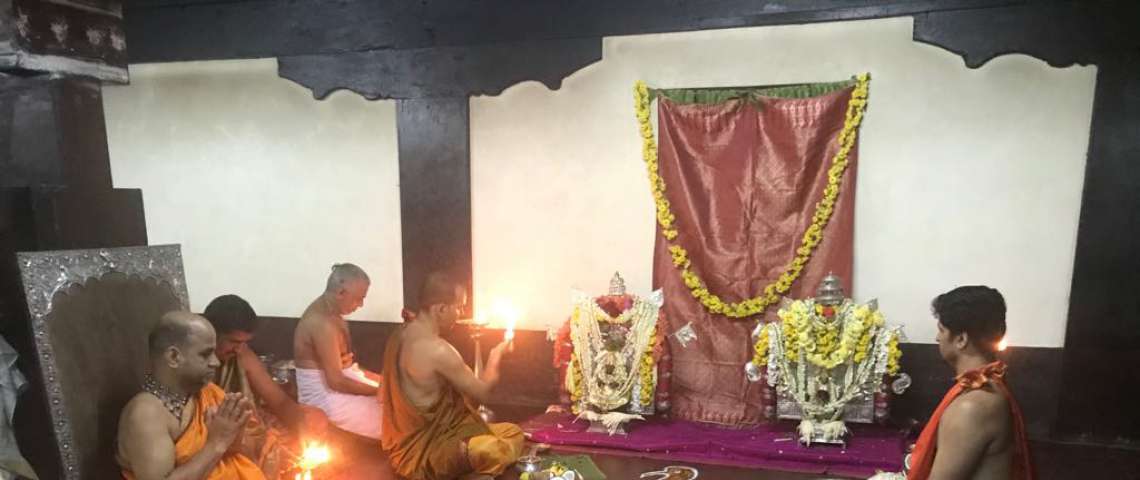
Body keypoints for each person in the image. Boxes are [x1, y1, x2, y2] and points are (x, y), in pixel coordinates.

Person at [380, 272, 524, 480]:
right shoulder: (438, 350)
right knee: (491, 449)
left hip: (421, 442)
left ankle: (479, 470)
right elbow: (482, 393)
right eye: (459, 307)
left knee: (512, 431)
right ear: (441, 309)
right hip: (426, 454)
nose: (460, 314)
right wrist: (496, 355)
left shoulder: (399, 335)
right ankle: (476, 473)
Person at [117, 311, 264, 480]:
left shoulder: (207, 393)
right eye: (205, 354)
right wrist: (217, 443)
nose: (216, 362)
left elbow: (241, 451)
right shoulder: (146, 415)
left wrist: (233, 435)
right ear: (173, 357)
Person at [908, 286, 1034, 480]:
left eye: (941, 330)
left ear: (961, 339)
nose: (937, 338)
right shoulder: (989, 384)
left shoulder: (972, 407)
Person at [203, 294, 329, 476]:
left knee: (314, 420)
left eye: (244, 342)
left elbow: (279, 401)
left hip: (244, 426)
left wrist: (303, 427)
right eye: (234, 341)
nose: (239, 349)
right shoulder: (191, 362)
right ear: (211, 333)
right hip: (212, 433)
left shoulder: (242, 355)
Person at [293, 263, 383, 439]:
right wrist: (379, 392)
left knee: (396, 396)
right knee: (392, 416)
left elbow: (346, 364)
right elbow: (336, 382)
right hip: (324, 398)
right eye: (358, 299)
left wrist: (383, 385)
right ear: (341, 293)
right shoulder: (321, 323)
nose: (361, 305)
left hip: (340, 382)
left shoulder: (334, 315)